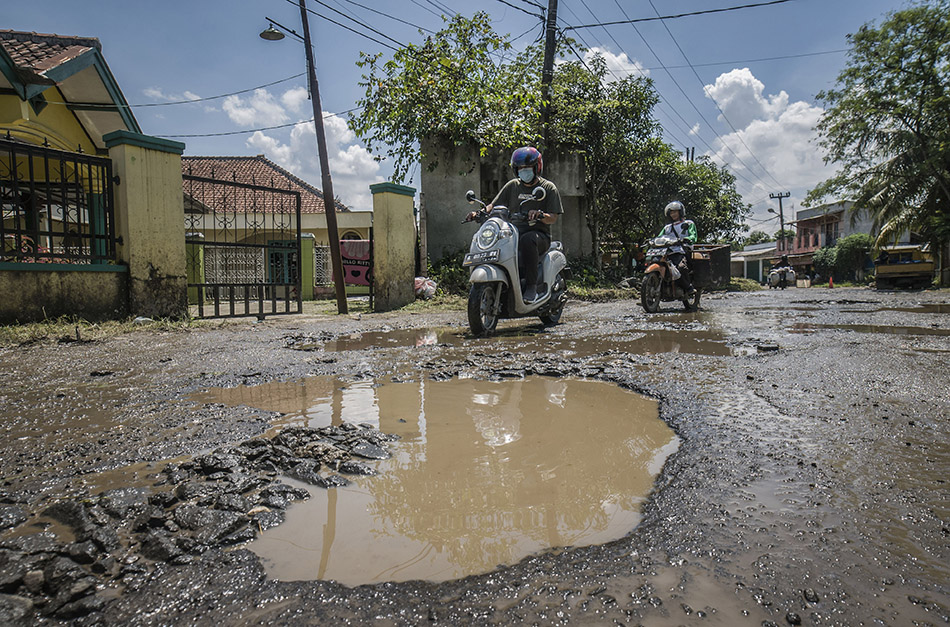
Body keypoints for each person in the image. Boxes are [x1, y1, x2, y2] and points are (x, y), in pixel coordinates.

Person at [466, 146, 563, 302]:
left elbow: (553, 217)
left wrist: (540, 215)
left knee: (528, 239)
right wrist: (479, 213)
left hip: (539, 236)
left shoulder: (547, 188)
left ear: (536, 167)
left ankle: (531, 287)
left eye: (527, 167)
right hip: (511, 234)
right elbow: (493, 206)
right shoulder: (512, 186)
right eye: (520, 168)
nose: (523, 171)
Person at [655, 200, 697, 295]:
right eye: (671, 212)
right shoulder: (667, 227)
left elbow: (693, 236)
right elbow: (659, 237)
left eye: (675, 212)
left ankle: (688, 287)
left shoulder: (688, 223)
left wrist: (687, 239)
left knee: (681, 267)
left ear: (680, 212)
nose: (673, 214)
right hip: (667, 251)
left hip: (681, 251)